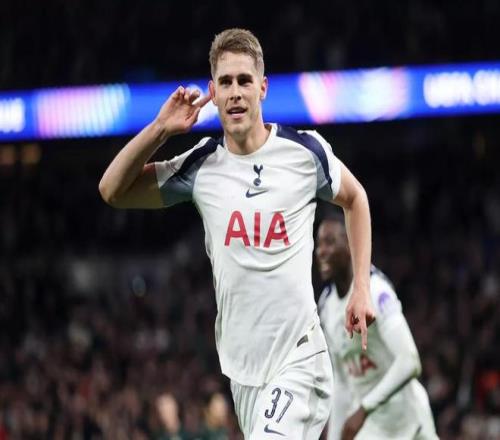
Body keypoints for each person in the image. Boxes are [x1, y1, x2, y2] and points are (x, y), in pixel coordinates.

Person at [99, 28, 374, 439]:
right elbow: (112, 190)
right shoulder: (201, 166)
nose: (235, 93)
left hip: (300, 361)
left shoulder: (304, 153)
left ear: (262, 87)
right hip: (243, 374)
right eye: (225, 82)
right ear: (212, 92)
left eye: (245, 81)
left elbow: (356, 198)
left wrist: (362, 288)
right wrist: (160, 128)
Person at [316, 215, 438, 440]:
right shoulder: (326, 307)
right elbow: (342, 383)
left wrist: (363, 409)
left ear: (351, 243)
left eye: (330, 242)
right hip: (372, 429)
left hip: (411, 421)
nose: (321, 251)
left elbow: (410, 361)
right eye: (319, 244)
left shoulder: (376, 290)